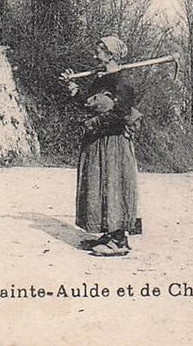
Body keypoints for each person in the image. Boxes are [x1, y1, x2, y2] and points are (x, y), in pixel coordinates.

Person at [61, 35, 142, 257]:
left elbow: (121, 115)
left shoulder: (123, 82)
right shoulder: (100, 79)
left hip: (114, 142)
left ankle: (119, 240)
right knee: (99, 186)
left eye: (99, 50)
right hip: (97, 141)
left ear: (111, 55)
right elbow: (88, 106)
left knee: (114, 186)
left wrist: (93, 124)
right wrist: (73, 88)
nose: (94, 54)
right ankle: (107, 233)